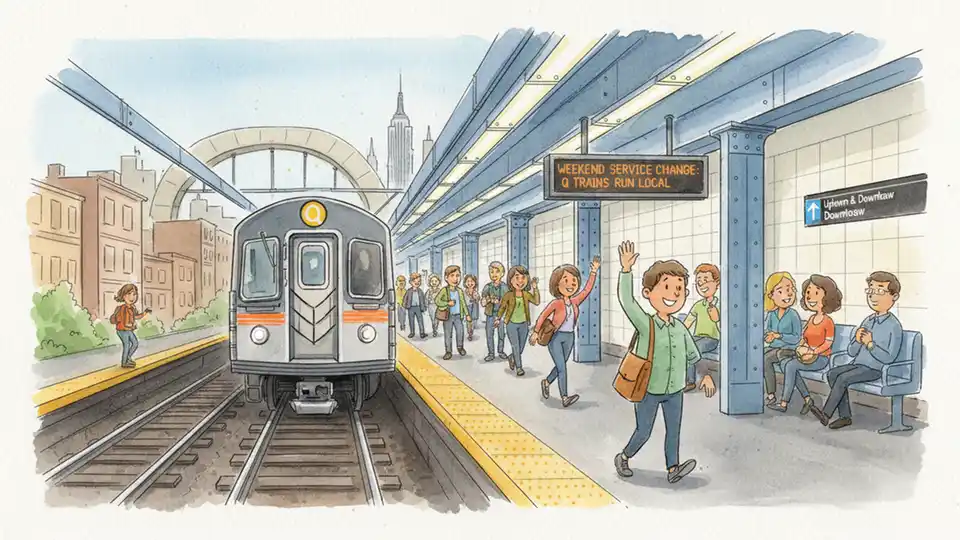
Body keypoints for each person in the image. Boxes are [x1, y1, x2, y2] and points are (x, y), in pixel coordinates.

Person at [613, 241, 716, 484]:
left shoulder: (680, 328)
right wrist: (626, 270)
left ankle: (673, 468)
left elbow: (694, 355)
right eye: (667, 288)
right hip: (648, 389)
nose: (673, 295)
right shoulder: (646, 323)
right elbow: (627, 302)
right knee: (644, 431)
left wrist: (706, 375)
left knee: (674, 431)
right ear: (649, 293)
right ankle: (624, 456)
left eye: (679, 290)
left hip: (675, 390)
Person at [810, 271, 904, 430]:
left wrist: (870, 344)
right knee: (832, 374)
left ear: (894, 296)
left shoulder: (894, 326)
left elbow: (889, 358)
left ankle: (826, 414)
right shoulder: (868, 320)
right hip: (858, 364)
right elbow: (852, 352)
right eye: (871, 290)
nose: (873, 296)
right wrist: (858, 340)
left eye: (880, 291)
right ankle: (845, 416)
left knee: (842, 379)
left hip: (875, 369)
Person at [768, 274, 842, 414]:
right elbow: (803, 338)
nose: (810, 297)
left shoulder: (827, 321)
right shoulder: (811, 319)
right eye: (808, 293)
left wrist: (814, 351)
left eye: (815, 293)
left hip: (821, 358)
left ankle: (784, 403)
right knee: (785, 364)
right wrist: (802, 345)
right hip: (806, 355)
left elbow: (828, 343)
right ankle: (808, 399)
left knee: (789, 365)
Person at [532, 256, 600, 408]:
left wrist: (593, 272)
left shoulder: (575, 301)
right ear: (557, 284)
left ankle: (547, 381)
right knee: (562, 367)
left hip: (569, 337)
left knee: (560, 366)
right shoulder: (556, 303)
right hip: (556, 337)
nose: (571, 284)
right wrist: (536, 332)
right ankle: (564, 397)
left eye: (574, 281)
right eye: (566, 281)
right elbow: (543, 316)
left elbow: (587, 290)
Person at [762, 272, 803, 405]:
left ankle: (770, 394)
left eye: (790, 289)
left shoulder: (793, 315)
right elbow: (766, 331)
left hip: (789, 349)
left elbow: (797, 338)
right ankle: (766, 391)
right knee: (757, 357)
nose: (788, 294)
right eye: (781, 291)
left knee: (766, 359)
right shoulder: (771, 314)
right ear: (771, 295)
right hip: (774, 348)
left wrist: (779, 336)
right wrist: (768, 337)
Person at [682, 263, 721, 392]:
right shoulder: (698, 305)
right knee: (684, 346)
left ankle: (692, 381)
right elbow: (688, 321)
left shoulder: (720, 304)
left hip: (712, 339)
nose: (702, 285)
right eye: (699, 282)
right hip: (697, 337)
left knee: (693, 350)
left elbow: (724, 328)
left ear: (717, 283)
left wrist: (717, 318)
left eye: (706, 280)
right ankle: (685, 379)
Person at [495, 266, 540, 377]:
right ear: (511, 280)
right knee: (515, 346)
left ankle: (512, 357)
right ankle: (519, 367)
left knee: (521, 347)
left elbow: (536, 301)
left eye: (523, 277)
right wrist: (498, 318)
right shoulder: (508, 295)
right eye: (517, 277)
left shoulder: (526, 294)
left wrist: (535, 288)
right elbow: (502, 308)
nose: (520, 281)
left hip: (524, 324)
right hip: (511, 324)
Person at [109, 283, 151, 368]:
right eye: (129, 294)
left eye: (134, 294)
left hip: (129, 330)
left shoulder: (133, 308)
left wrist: (145, 313)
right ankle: (124, 363)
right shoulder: (121, 308)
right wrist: (121, 320)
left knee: (135, 343)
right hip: (122, 330)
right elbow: (114, 319)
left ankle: (127, 358)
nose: (132, 297)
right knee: (127, 345)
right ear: (123, 296)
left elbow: (136, 316)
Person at [435, 265, 471, 360]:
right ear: (446, 278)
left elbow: (463, 304)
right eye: (452, 275)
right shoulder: (444, 290)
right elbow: (437, 301)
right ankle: (448, 351)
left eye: (458, 275)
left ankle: (460, 347)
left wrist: (467, 314)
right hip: (448, 316)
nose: (455, 278)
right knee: (448, 334)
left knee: (460, 332)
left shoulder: (460, 291)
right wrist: (447, 303)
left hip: (459, 316)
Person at [480, 262, 509, 362]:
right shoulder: (487, 287)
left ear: (502, 273)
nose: (494, 274)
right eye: (491, 272)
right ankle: (491, 353)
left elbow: (508, 302)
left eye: (497, 271)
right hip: (490, 314)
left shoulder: (505, 287)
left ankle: (500, 351)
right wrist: (489, 300)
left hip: (501, 315)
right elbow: (483, 303)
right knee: (489, 334)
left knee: (501, 334)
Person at [402, 272, 428, 339]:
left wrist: (424, 307)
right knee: (411, 320)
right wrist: (404, 306)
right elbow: (405, 299)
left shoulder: (420, 291)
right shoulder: (409, 291)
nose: (417, 282)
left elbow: (423, 300)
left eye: (419, 281)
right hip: (410, 308)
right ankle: (412, 332)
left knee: (420, 320)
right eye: (414, 281)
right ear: (411, 282)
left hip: (418, 308)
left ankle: (422, 333)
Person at [463, 274, 480, 341]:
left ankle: (471, 331)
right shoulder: (464, 292)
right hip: (468, 307)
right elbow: (463, 300)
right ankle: (470, 333)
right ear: (465, 283)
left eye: (472, 281)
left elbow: (478, 299)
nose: (470, 283)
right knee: (468, 321)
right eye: (468, 281)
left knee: (473, 320)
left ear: (475, 282)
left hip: (474, 307)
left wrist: (476, 297)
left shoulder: (475, 291)